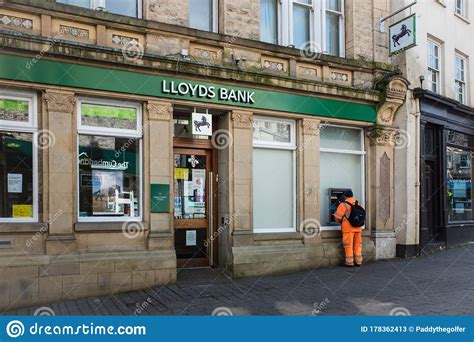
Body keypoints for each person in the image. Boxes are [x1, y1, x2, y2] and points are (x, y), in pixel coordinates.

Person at [333, 190, 364, 268]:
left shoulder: (343, 205)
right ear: (352, 196)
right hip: (358, 228)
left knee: (348, 246)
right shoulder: (359, 204)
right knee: (358, 246)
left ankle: (349, 262)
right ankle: (358, 261)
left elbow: (337, 217)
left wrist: (339, 221)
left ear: (345, 196)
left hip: (348, 229)